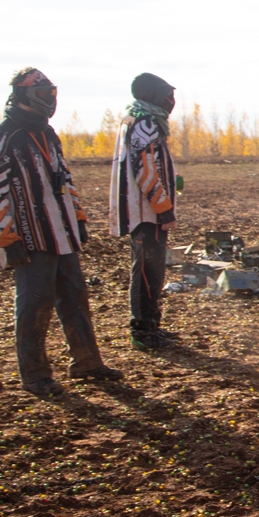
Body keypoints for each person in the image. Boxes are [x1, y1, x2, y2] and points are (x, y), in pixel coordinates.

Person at [0, 68, 122, 396]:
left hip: (62, 233)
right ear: (24, 95)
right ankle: (35, 375)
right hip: (29, 238)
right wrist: (5, 238)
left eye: (52, 93)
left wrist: (79, 218)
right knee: (33, 305)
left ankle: (87, 363)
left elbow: (65, 178)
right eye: (44, 94)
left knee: (75, 298)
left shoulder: (49, 134)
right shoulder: (2, 136)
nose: (51, 100)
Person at [110, 72, 181, 350]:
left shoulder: (139, 120)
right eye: (166, 95)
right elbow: (145, 168)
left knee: (152, 271)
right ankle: (142, 330)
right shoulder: (145, 123)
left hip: (145, 209)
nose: (171, 101)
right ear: (151, 96)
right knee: (145, 272)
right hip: (145, 212)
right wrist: (163, 208)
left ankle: (151, 326)